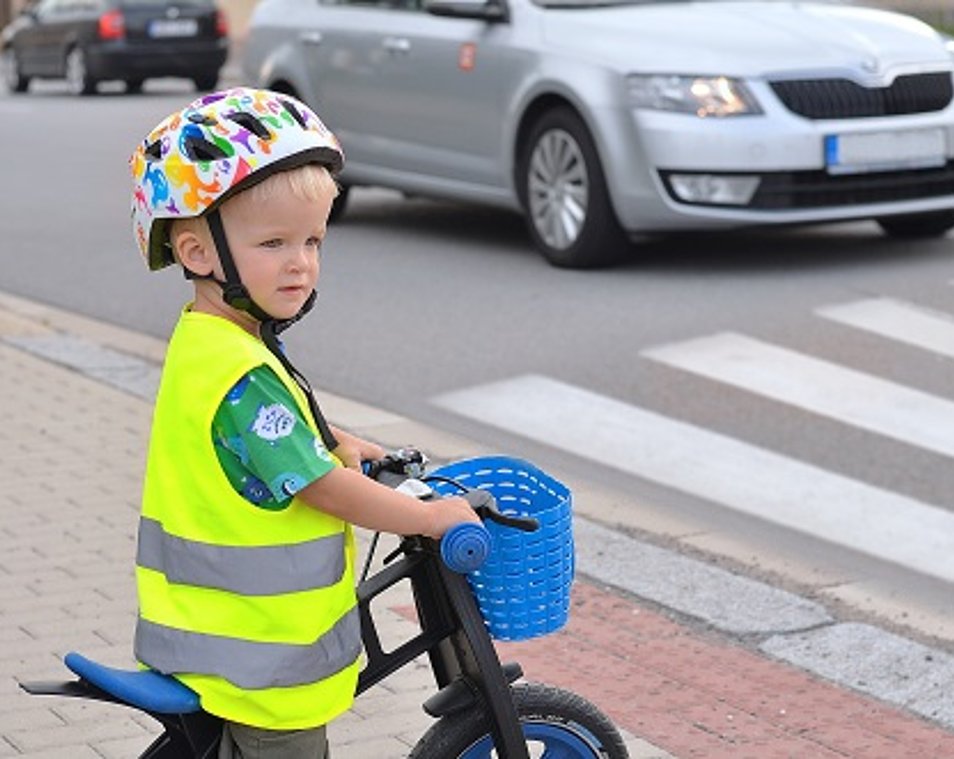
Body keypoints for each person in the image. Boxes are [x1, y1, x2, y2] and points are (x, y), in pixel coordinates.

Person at [129, 87, 481, 758]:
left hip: (223, 633)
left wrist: (344, 441)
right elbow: (319, 485)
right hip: (257, 660)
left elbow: (272, 436)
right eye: (274, 241)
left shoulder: (218, 339)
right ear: (200, 252)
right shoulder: (239, 369)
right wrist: (429, 517)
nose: (302, 261)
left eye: (314, 239)